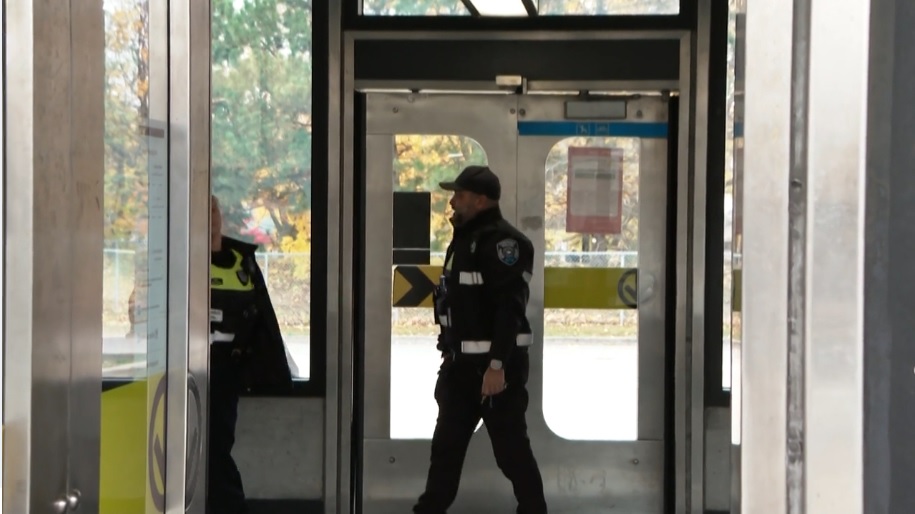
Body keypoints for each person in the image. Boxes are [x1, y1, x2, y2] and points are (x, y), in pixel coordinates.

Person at [413, 166, 548, 514]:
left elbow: (509, 309)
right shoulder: (464, 240)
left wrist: (497, 366)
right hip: (460, 369)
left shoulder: (506, 244)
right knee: (445, 450)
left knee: (511, 452)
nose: (453, 201)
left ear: (480, 200)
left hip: (495, 372)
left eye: (459, 195)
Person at [208, 195, 294, 514]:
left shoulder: (241, 262)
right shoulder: (176, 260)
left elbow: (263, 319)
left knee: (216, 446)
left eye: (214, 209)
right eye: (202, 210)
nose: (210, 216)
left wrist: (271, 371)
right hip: (181, 369)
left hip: (224, 371)